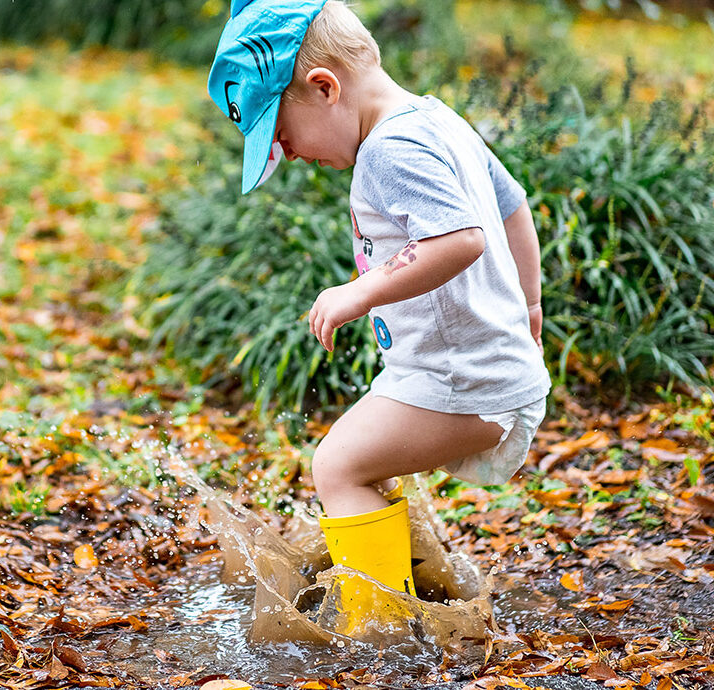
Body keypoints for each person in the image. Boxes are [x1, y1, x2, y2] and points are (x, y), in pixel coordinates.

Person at [207, 0, 551, 624]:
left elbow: (461, 238)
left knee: (336, 465)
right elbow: (512, 206)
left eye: (282, 135)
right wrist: (529, 304)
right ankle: (411, 589)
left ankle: (379, 633)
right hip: (478, 371)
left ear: (324, 87)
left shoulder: (389, 150)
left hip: (463, 380)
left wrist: (358, 293)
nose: (289, 155)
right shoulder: (435, 119)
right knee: (365, 465)